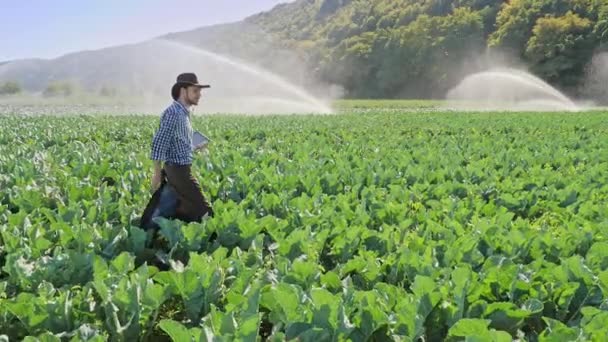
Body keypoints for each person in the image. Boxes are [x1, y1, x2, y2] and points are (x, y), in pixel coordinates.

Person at [149, 72, 214, 222]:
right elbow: (160, 142)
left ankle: (157, 235)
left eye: (200, 91)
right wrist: (157, 173)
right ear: (183, 91)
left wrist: (198, 142)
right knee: (204, 211)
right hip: (178, 170)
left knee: (175, 208)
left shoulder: (183, 113)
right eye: (195, 91)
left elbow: (181, 137)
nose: (199, 95)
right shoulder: (173, 113)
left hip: (180, 169)